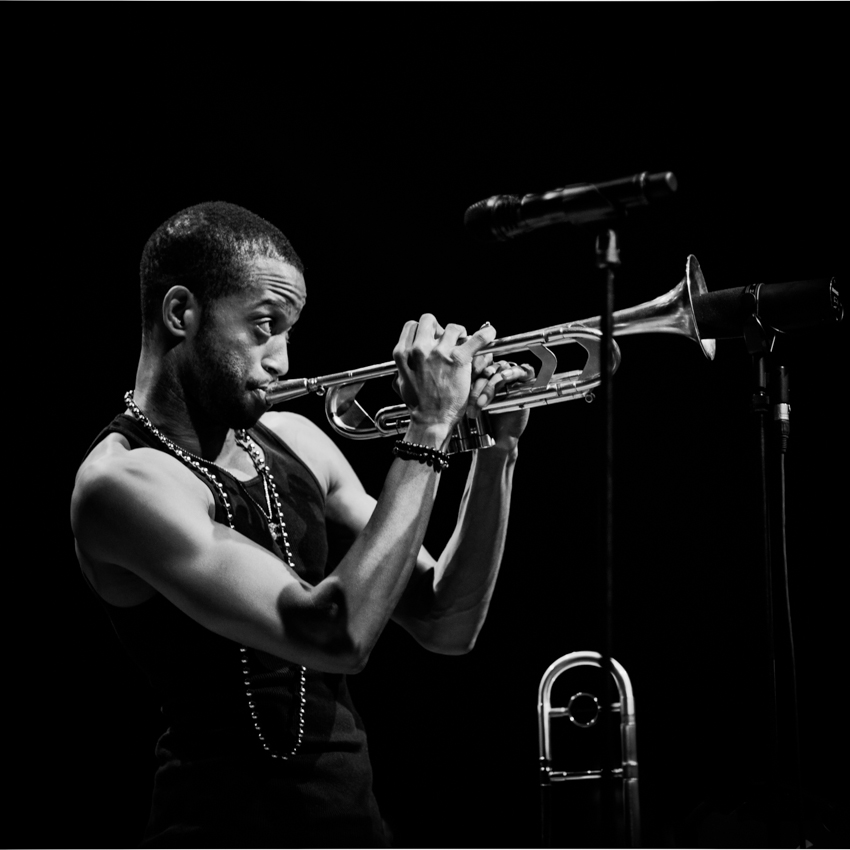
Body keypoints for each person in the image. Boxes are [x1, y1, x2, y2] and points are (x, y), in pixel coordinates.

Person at [70, 201, 531, 848]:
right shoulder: (125, 483)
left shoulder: (296, 441)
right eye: (264, 326)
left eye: (289, 330)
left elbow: (446, 623)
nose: (282, 359)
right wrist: (428, 429)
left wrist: (495, 451)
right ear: (182, 314)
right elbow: (335, 635)